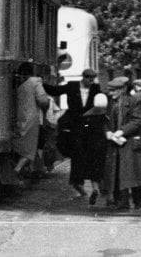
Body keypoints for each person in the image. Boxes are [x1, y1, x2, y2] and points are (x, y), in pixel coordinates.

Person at [44, 68, 101, 197]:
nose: (91, 81)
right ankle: (78, 184)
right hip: (75, 127)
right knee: (77, 155)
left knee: (93, 155)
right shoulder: (72, 86)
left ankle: (94, 187)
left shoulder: (96, 88)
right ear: (83, 77)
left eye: (93, 78)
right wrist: (40, 83)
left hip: (90, 127)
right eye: (88, 78)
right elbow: (54, 91)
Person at [102, 76, 141, 212]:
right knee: (117, 174)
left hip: (129, 142)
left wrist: (122, 131)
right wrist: (107, 132)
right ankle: (121, 202)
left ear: (122, 89)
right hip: (114, 143)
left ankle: (138, 200)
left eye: (113, 90)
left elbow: (137, 121)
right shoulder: (109, 103)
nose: (111, 93)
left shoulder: (133, 102)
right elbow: (103, 119)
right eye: (110, 90)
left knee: (132, 174)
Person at [13, 62, 51, 180]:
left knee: (22, 146)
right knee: (30, 149)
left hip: (20, 119)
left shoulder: (18, 84)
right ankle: (17, 170)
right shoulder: (35, 82)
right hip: (32, 119)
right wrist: (46, 107)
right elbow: (43, 101)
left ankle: (23, 170)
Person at [80, 92, 109, 205]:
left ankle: (95, 189)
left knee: (93, 170)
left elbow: (83, 134)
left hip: (90, 147)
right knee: (103, 168)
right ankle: (105, 190)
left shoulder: (87, 115)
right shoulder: (106, 116)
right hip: (104, 145)